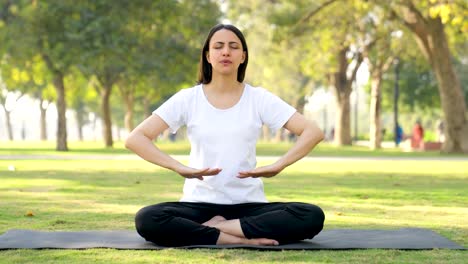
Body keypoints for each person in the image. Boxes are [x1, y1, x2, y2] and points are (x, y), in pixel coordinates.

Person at [125, 24, 325, 247]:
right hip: (199, 205)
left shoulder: (258, 98)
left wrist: (279, 165)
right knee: (148, 219)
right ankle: (240, 239)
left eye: (233, 46)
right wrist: (178, 167)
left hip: (248, 206)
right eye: (218, 46)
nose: (226, 52)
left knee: (311, 215)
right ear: (208, 56)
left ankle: (213, 230)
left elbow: (313, 132)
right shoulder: (188, 99)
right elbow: (136, 138)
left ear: (243, 56)